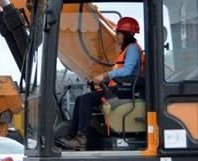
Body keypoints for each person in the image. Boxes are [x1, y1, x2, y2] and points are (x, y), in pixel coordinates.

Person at [62, 16, 144, 149]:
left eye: (118, 33)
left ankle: (81, 139)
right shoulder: (127, 50)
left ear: (127, 34)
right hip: (121, 88)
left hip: (127, 90)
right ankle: (71, 136)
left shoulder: (133, 49)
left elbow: (128, 70)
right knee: (80, 99)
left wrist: (105, 75)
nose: (116, 36)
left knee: (87, 99)